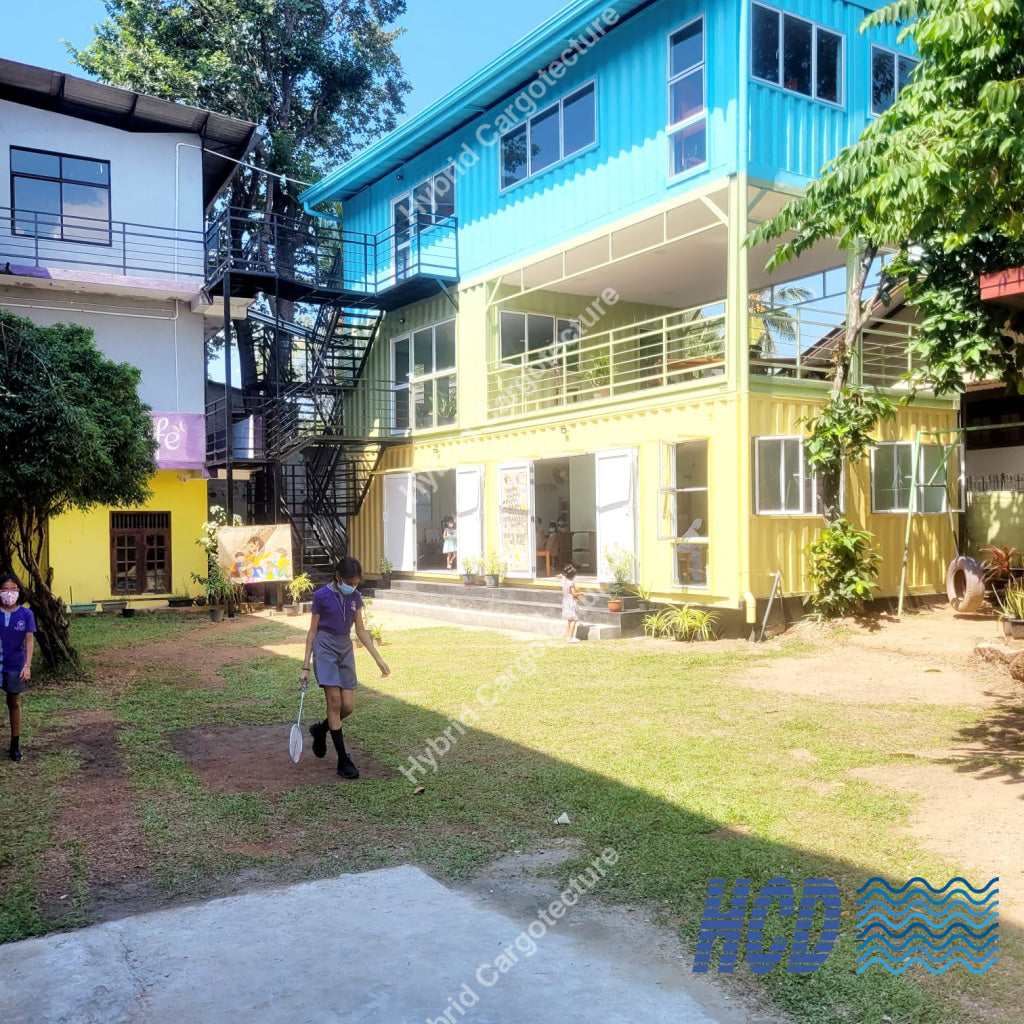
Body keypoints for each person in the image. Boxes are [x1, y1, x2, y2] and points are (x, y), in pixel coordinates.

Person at [301, 557, 389, 779]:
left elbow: (360, 630)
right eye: (350, 581)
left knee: (347, 706)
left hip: (344, 647)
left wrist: (378, 659)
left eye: (357, 583)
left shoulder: (355, 597)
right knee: (334, 702)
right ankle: (343, 760)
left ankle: (321, 730)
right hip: (325, 647)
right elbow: (312, 632)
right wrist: (305, 667)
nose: (354, 586)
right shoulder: (321, 596)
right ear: (338, 576)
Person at [0, 573, 35, 762]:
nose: (8, 594)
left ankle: (15, 744)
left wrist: (27, 666)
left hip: (15, 664)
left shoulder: (26, 614)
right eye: (4, 589)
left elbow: (29, 641)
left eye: (12, 590)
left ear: (19, 592)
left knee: (13, 702)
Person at [559, 564, 582, 644]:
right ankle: (571, 637)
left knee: (569, 619)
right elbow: (574, 594)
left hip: (565, 601)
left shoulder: (564, 581)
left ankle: (568, 636)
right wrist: (581, 593)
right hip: (571, 602)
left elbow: (562, 577)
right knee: (574, 620)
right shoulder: (571, 582)